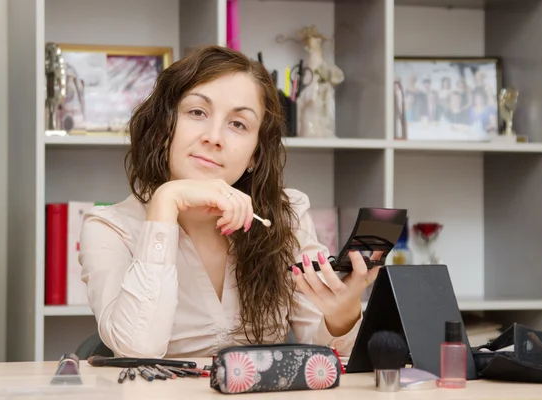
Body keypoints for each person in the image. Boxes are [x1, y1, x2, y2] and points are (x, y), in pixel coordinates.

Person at [78, 45, 381, 359]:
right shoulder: (109, 228)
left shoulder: (285, 214)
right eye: (197, 112)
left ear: (254, 154)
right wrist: (166, 202)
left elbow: (328, 356)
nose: (214, 137)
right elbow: (137, 350)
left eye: (238, 124)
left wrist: (342, 315)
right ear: (162, 130)